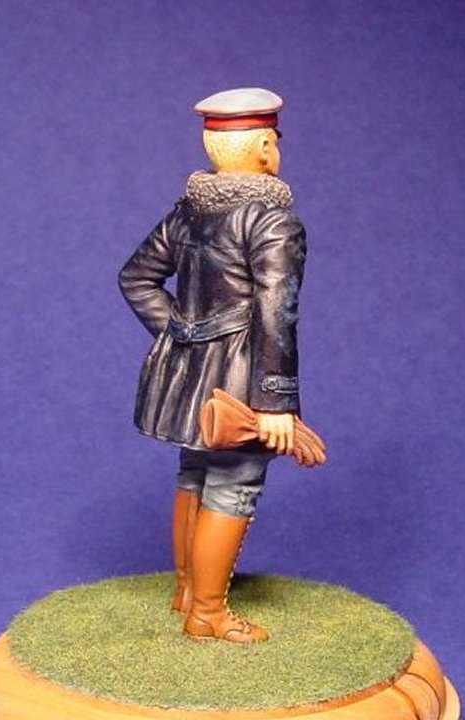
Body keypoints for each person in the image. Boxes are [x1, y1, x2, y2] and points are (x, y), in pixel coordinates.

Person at [119, 88, 307, 643]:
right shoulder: (272, 222)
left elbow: (136, 278)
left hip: (189, 382)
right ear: (266, 148)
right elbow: (276, 313)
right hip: (240, 384)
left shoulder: (189, 212)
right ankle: (207, 612)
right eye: (274, 142)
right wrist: (275, 401)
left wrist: (184, 337)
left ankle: (187, 590)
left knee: (195, 473)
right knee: (235, 484)